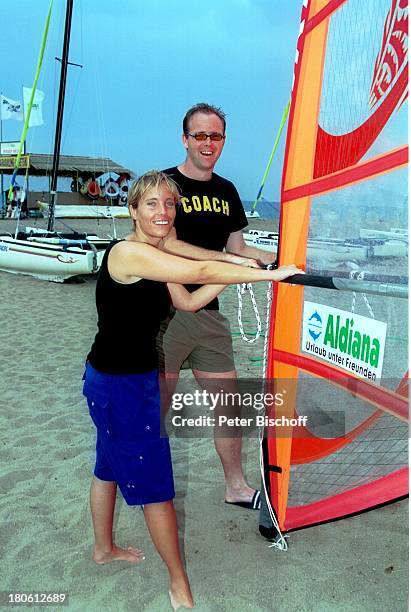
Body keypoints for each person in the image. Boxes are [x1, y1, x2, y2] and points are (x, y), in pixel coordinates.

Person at [83, 170, 301, 610]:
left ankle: (103, 550)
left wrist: (238, 267)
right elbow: (198, 266)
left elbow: (188, 298)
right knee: (156, 489)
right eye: (151, 204)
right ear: (132, 211)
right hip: (121, 386)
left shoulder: (154, 249)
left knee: (107, 465)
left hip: (114, 379)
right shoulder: (129, 254)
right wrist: (272, 278)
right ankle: (179, 583)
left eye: (169, 204)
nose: (162, 212)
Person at [160, 103, 278, 510]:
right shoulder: (165, 185)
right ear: (185, 139)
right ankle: (148, 490)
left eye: (216, 136)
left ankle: (237, 487)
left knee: (228, 407)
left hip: (209, 312)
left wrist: (280, 258)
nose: (208, 144)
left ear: (223, 141)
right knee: (156, 412)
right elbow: (159, 245)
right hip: (163, 315)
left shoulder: (227, 191)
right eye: (200, 136)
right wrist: (217, 269)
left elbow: (238, 248)